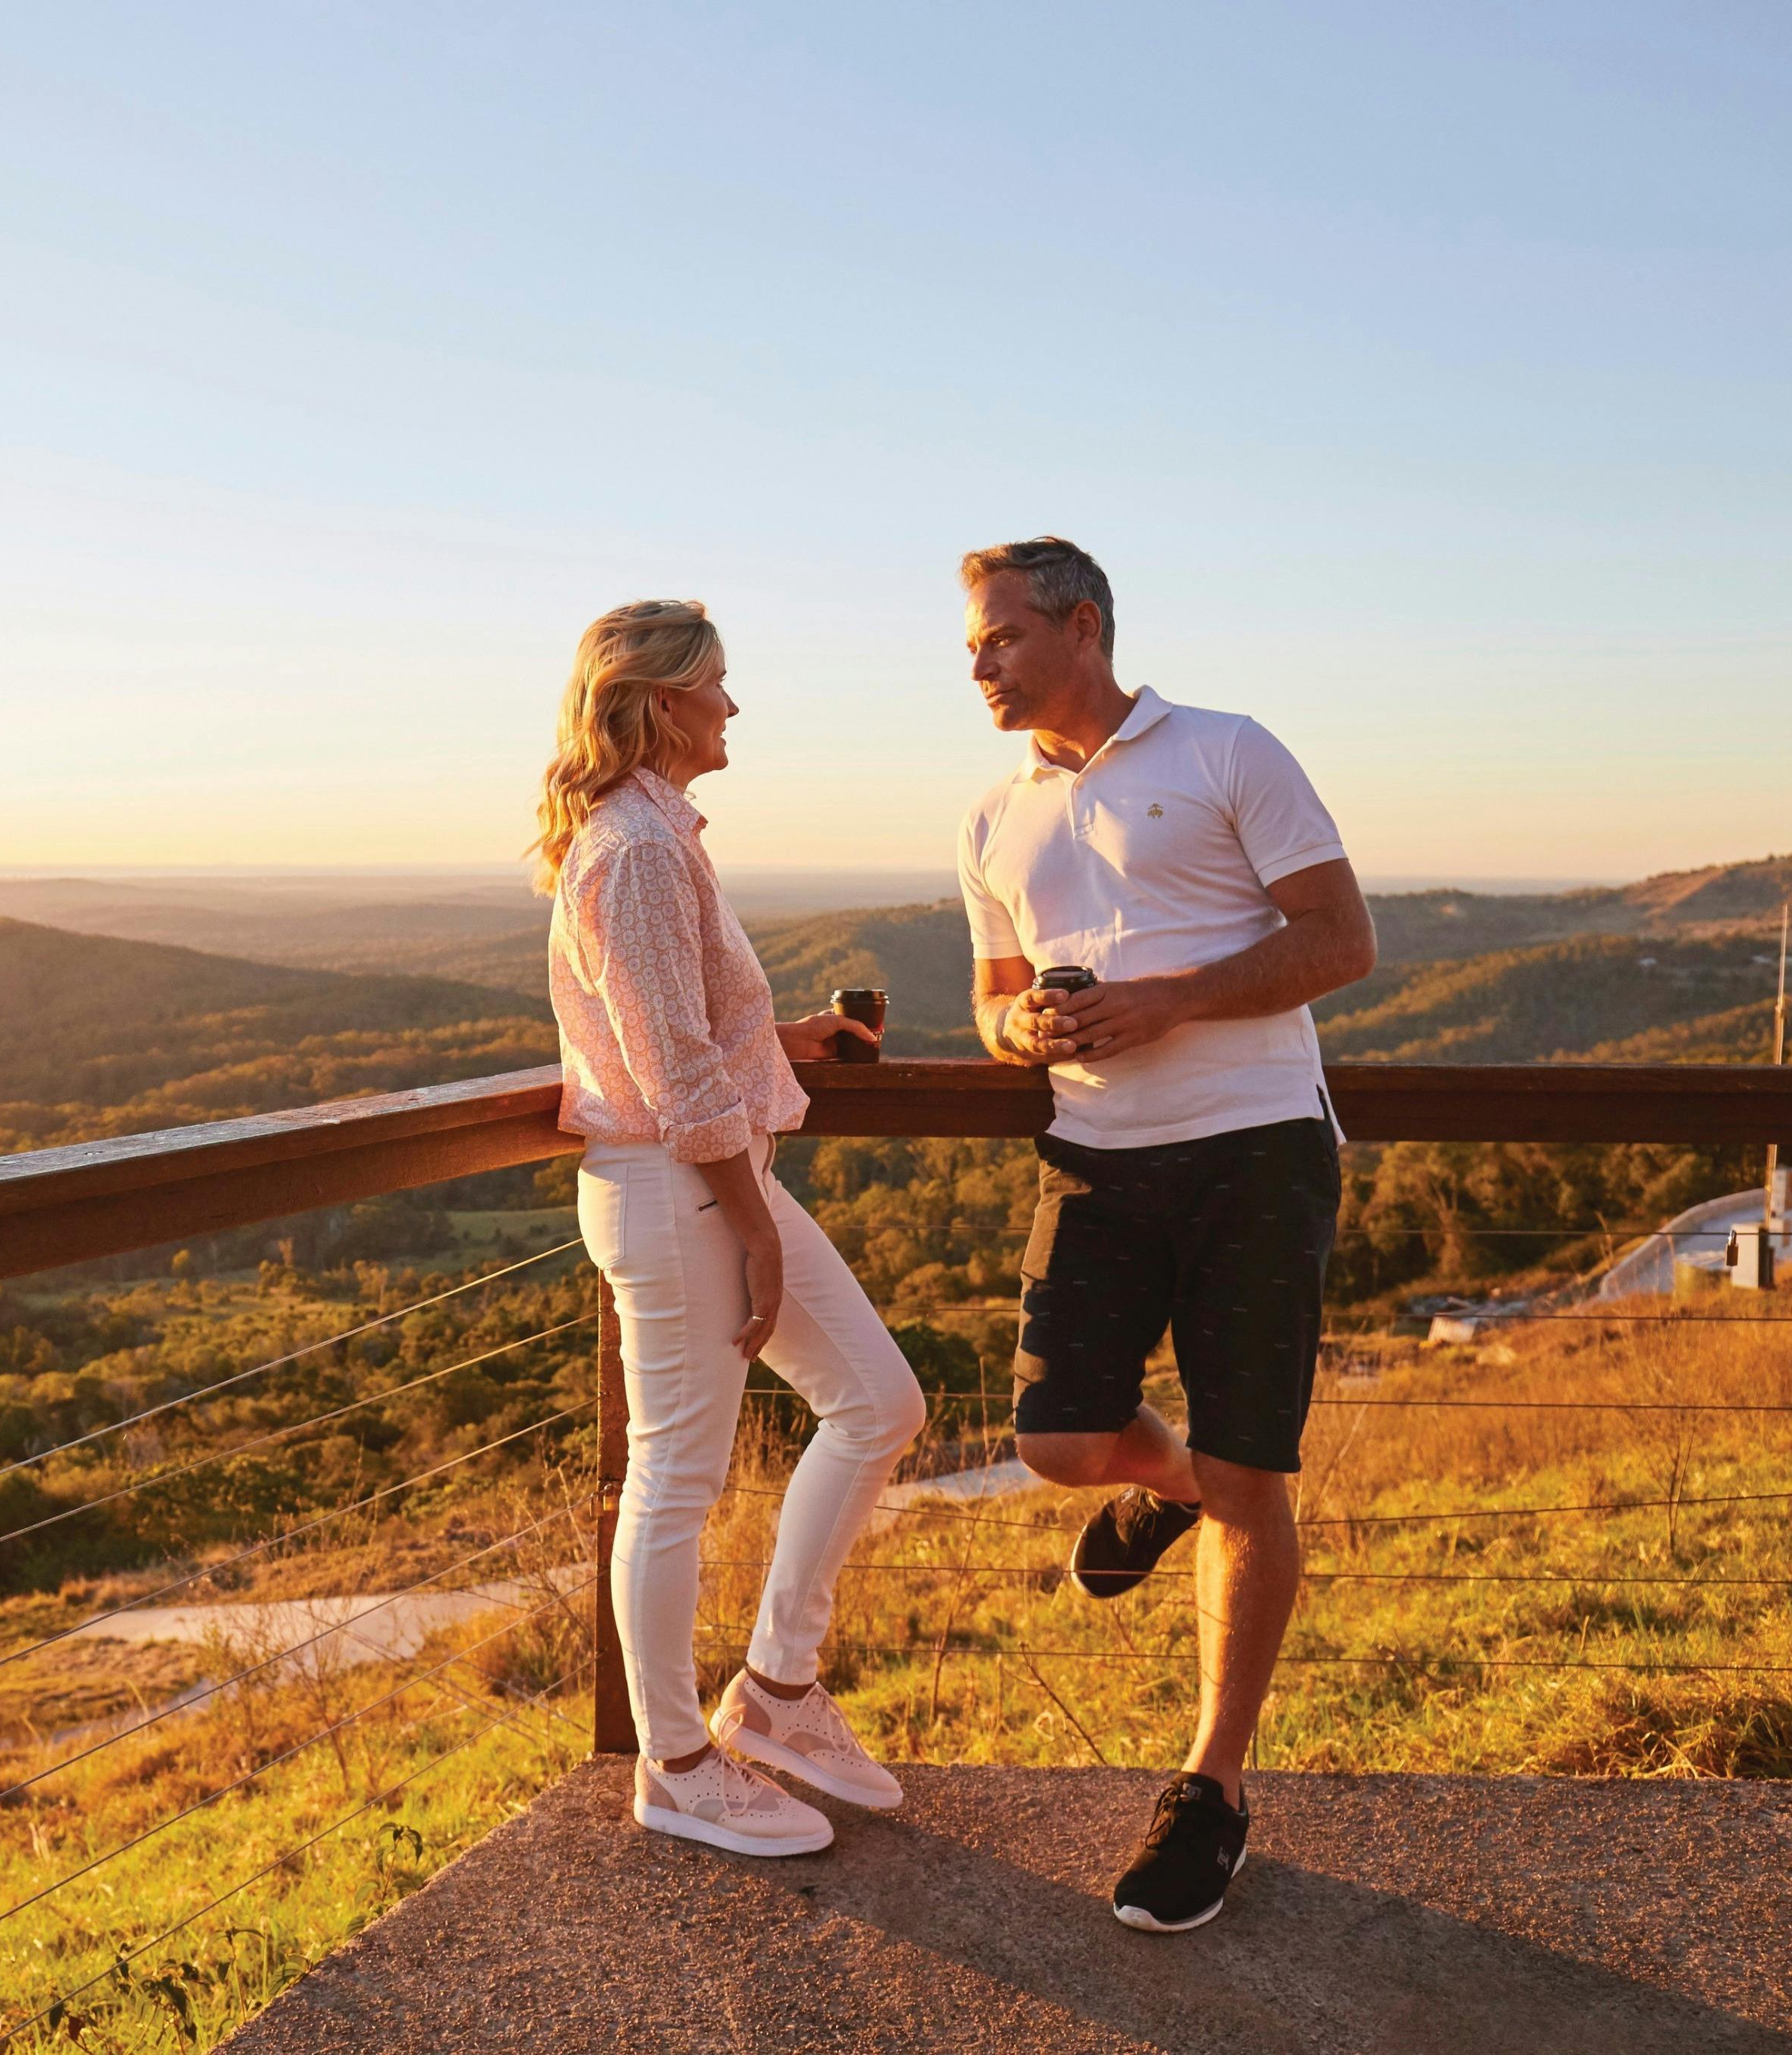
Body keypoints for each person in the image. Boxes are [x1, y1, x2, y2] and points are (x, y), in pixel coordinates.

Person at [956, 537, 1377, 1932]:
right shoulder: (991, 816)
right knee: (1060, 1441)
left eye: (1002, 636)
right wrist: (1018, 1026)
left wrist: (1172, 999)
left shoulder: (1228, 749)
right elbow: (990, 999)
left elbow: (1341, 940)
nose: (979, 663)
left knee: (1257, 1471)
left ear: (1082, 626)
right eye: (973, 643)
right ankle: (1180, 1484)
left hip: (1256, 1151)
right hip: (1092, 1158)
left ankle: (1213, 1787)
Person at [536, 598, 928, 1858]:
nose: (734, 704)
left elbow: (687, 1030)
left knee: (880, 1401)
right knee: (676, 1483)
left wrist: (781, 1039)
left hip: (705, 1176)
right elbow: (670, 1071)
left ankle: (775, 1690)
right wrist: (755, 1228)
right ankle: (677, 1765)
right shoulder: (638, 850)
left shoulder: (653, 835)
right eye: (717, 683)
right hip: (681, 1189)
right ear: (664, 703)